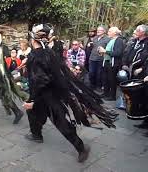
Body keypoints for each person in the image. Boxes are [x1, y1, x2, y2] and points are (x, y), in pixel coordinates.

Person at [22, 24, 117, 162]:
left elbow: (40, 81)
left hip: (46, 95)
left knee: (60, 121)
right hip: (45, 92)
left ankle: (81, 148)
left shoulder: (37, 56)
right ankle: (36, 134)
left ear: (33, 40)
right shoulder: (47, 52)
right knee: (33, 113)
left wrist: (32, 100)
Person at [98, 27, 124, 101]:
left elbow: (118, 53)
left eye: (109, 31)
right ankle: (105, 93)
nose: (108, 32)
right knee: (105, 79)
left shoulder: (119, 41)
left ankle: (112, 96)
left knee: (111, 80)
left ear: (115, 33)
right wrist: (101, 51)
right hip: (107, 62)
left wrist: (105, 51)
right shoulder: (111, 40)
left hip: (113, 64)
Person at [88, 26, 110, 92]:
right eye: (97, 30)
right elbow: (94, 45)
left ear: (104, 31)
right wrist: (90, 43)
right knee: (91, 73)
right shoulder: (95, 38)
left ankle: (98, 86)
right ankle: (92, 85)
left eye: (100, 30)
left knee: (99, 74)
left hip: (101, 59)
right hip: (92, 58)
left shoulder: (107, 39)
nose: (98, 31)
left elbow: (108, 49)